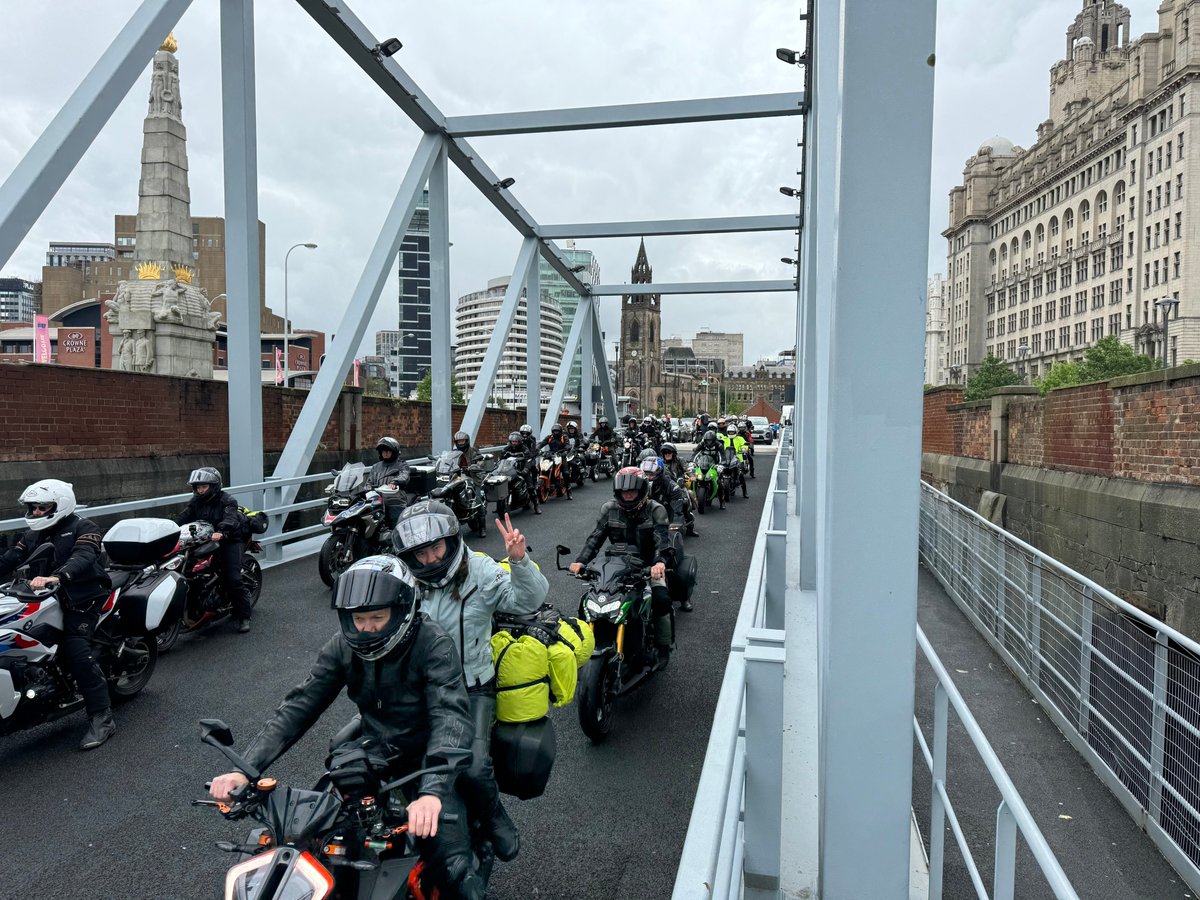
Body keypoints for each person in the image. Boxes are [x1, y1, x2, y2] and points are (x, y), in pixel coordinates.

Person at [207, 556, 485, 900]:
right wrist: (244, 770)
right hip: (377, 744)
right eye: (359, 618)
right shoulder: (343, 646)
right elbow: (299, 705)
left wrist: (432, 792)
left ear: (402, 612)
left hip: (429, 752)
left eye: (377, 618)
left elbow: (448, 717)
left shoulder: (433, 644)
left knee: (454, 870)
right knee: (316, 833)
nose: (366, 628)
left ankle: (494, 830)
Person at [392, 501, 548, 862]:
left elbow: (528, 600)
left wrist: (520, 561)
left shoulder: (479, 569)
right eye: (420, 552)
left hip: (472, 686)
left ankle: (496, 818)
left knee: (475, 765)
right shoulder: (403, 579)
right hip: (417, 686)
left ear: (451, 541)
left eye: (436, 548)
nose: (430, 559)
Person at [0, 480, 116, 750]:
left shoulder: (83, 527)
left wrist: (58, 576)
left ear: (60, 505)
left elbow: (84, 555)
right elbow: (9, 558)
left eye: (43, 507)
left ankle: (102, 717)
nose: (37, 512)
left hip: (83, 597)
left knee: (77, 652)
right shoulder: (30, 536)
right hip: (43, 597)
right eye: (33, 508)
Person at [569, 468, 675, 661]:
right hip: (617, 565)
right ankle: (584, 642)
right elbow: (595, 538)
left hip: (648, 566)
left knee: (661, 600)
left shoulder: (655, 510)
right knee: (590, 601)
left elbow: (662, 540)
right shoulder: (609, 509)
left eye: (632, 492)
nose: (627, 496)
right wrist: (580, 561)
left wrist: (659, 563)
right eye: (624, 492)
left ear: (642, 491)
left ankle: (663, 647)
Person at [175, 467, 253, 633]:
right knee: (189, 570)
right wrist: (169, 528)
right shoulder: (195, 502)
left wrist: (222, 530)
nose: (200, 490)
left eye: (204, 487)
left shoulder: (227, 501)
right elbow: (183, 517)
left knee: (233, 578)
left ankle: (244, 615)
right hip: (204, 540)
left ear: (214, 486)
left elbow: (231, 518)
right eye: (198, 487)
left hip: (229, 540)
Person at [369, 436, 411, 527]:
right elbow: (369, 482)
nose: (385, 453)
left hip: (395, 501)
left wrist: (394, 482)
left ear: (394, 452)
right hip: (377, 501)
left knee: (397, 527)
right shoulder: (375, 467)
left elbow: (404, 476)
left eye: (388, 450)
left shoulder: (402, 465)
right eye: (383, 451)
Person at [537, 424, 573, 498]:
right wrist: (537, 448)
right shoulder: (550, 437)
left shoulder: (564, 437)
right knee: (541, 466)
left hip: (561, 454)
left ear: (560, 431)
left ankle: (569, 491)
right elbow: (542, 443)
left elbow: (567, 445)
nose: (555, 433)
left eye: (557, 431)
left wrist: (566, 450)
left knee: (565, 472)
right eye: (554, 431)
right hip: (551, 454)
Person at [720, 425, 750, 499]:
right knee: (720, 472)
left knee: (741, 474)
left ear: (736, 432)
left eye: (732, 432)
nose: (731, 433)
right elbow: (719, 442)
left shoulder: (740, 438)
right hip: (726, 458)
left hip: (738, 458)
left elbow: (744, 444)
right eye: (729, 432)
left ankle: (744, 492)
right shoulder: (724, 439)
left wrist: (744, 448)